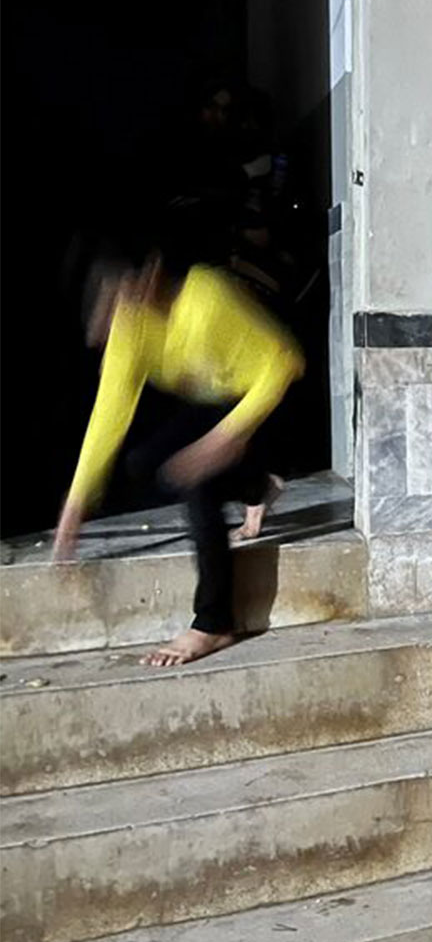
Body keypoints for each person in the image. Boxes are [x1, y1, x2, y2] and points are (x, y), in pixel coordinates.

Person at [53, 252, 304, 666]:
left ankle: (213, 623)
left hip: (272, 397)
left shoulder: (207, 297)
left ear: (149, 278)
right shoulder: (129, 330)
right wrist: (77, 501)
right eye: (112, 316)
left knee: (196, 481)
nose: (121, 324)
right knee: (144, 462)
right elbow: (109, 413)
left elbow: (285, 363)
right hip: (220, 404)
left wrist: (226, 437)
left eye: (125, 304)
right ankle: (256, 486)